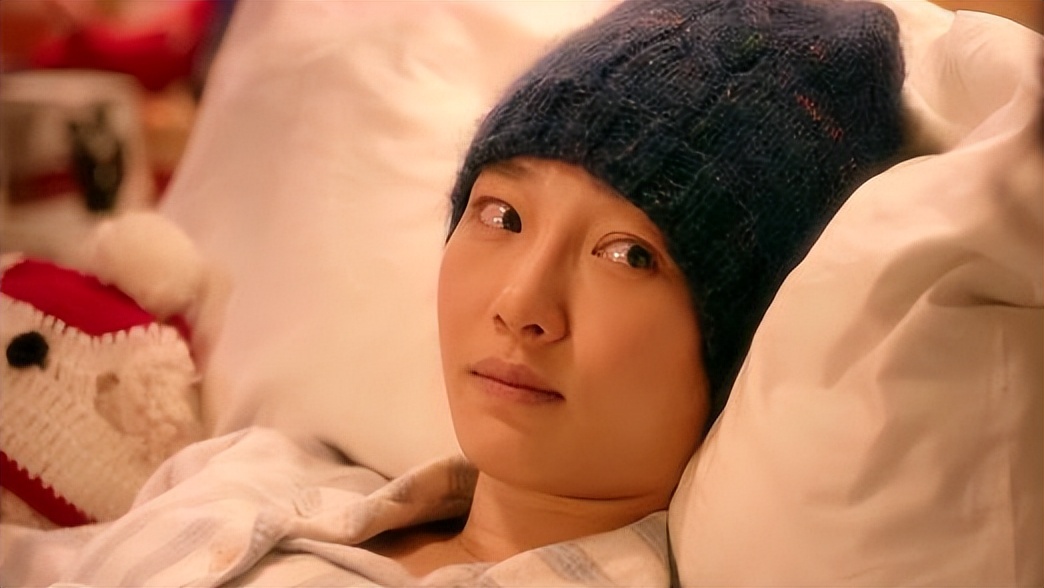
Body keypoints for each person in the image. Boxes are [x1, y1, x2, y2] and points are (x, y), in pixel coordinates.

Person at [0, 0, 905, 585]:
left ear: (736, 336)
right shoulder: (262, 467)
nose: (521, 304)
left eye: (628, 254)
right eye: (501, 215)